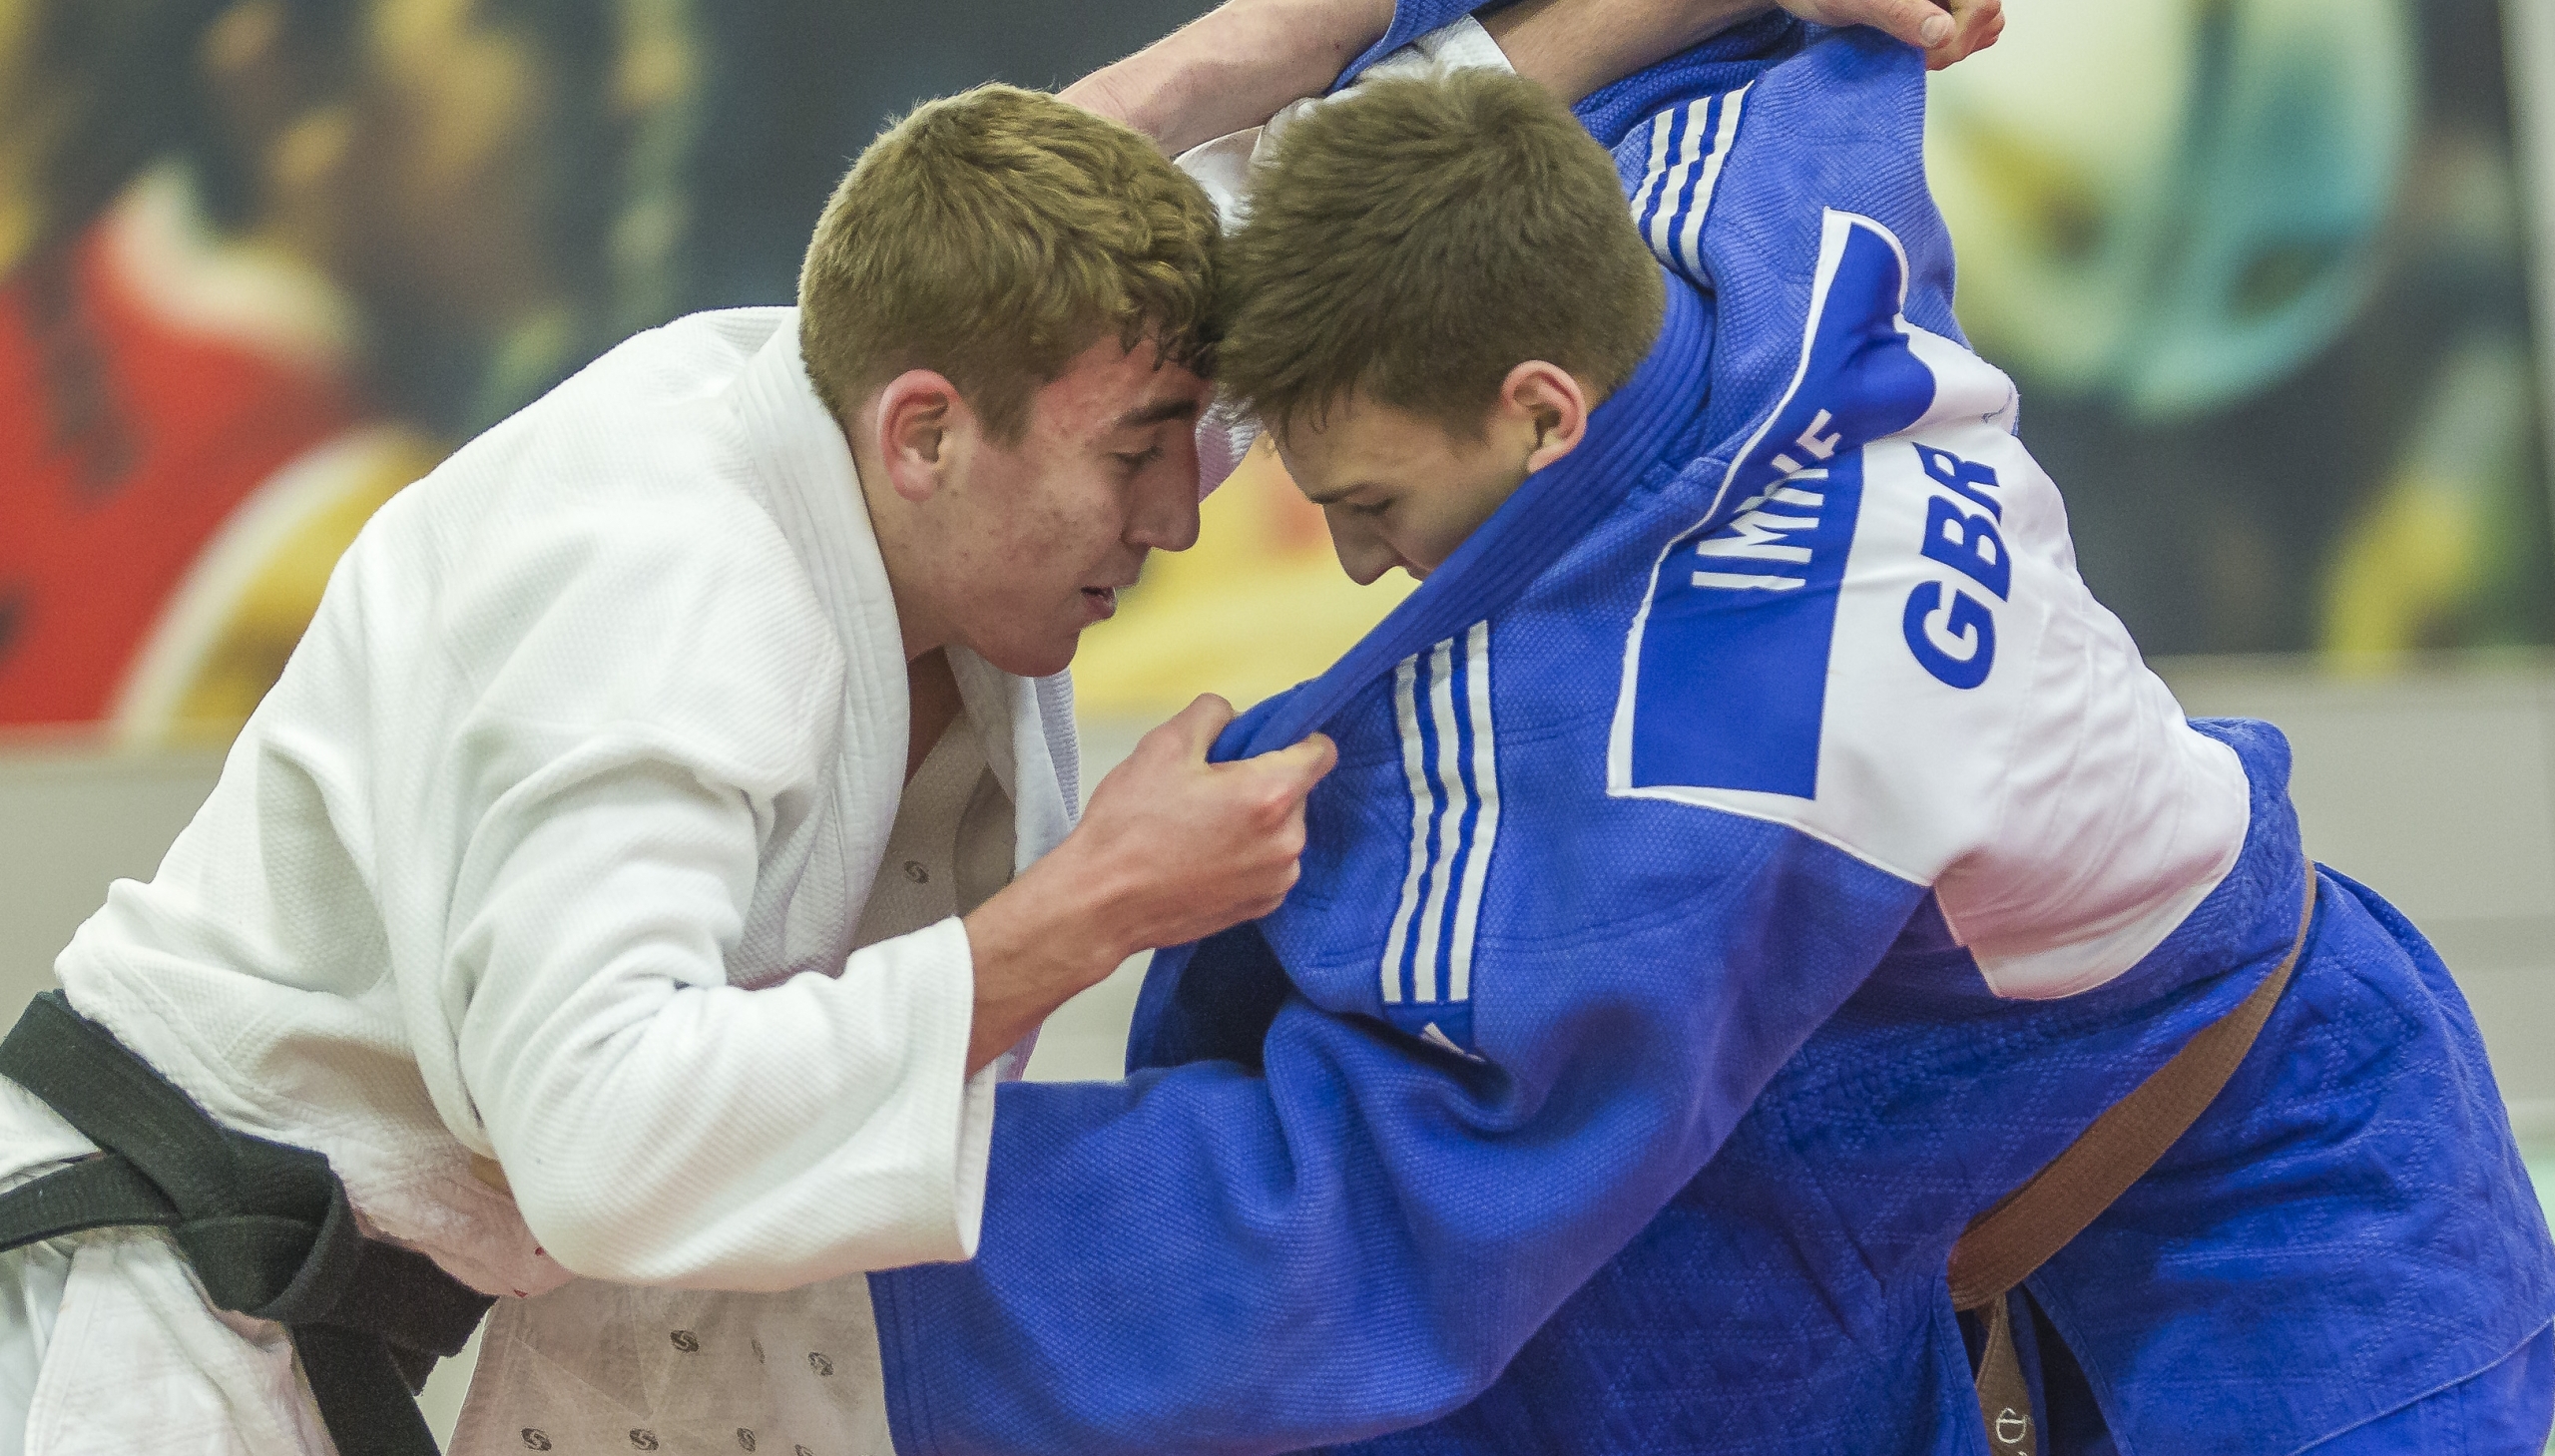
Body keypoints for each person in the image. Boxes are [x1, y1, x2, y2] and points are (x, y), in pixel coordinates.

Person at [849, 15, 2555, 1456]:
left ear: (1541, 416)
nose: (1357, 559)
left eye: (1371, 503)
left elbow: (1372, 1213)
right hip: (1941, 1131)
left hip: (2291, 1210)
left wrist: (822, 1251)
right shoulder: (1741, 209)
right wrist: (1171, 97)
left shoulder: (1701, 767)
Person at [0, 83, 1336, 1456]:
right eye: (1137, 458)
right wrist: (1096, 903)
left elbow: (1139, 248)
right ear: (925, 435)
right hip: (135, 1321)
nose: (1178, 511)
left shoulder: (904, 397)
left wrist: (1360, 33)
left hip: (271, 1301)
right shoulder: (677, 589)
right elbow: (600, 1136)